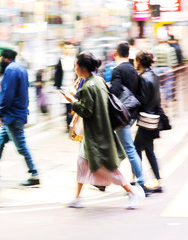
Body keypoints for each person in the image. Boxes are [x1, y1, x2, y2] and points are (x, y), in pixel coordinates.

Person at [62, 51, 145, 209]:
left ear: (81, 67)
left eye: (75, 65)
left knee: (109, 169)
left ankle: (133, 192)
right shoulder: (97, 81)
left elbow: (87, 111)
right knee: (81, 164)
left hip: (96, 136)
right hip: (97, 132)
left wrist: (72, 101)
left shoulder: (87, 87)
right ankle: (77, 198)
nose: (74, 68)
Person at [0, 44, 40, 186]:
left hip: (12, 116)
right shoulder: (21, 68)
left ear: (6, 58)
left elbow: (7, 95)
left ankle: (34, 174)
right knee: (0, 141)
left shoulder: (10, 71)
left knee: (21, 146)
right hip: (17, 114)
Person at [109, 41, 152, 196]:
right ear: (129, 54)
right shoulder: (133, 70)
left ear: (116, 53)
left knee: (128, 149)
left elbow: (114, 92)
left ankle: (141, 182)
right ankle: (104, 180)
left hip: (121, 116)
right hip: (131, 114)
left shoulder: (117, 71)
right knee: (117, 147)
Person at [134, 51, 163, 193]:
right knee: (148, 151)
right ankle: (157, 181)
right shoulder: (154, 76)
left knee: (135, 149)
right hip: (154, 119)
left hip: (146, 119)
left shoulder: (143, 78)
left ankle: (140, 181)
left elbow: (142, 100)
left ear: (139, 62)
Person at [54, 41, 77, 131]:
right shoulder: (61, 59)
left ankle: (74, 124)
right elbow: (58, 74)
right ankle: (69, 125)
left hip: (75, 86)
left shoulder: (76, 59)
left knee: (74, 106)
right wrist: (57, 86)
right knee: (67, 107)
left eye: (71, 48)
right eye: (67, 48)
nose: (69, 50)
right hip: (65, 87)